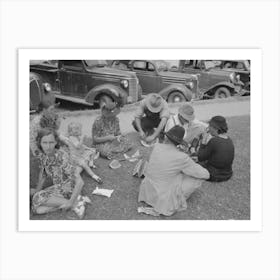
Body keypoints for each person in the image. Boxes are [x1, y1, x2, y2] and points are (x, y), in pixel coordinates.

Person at [138, 125, 210, 216]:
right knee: (195, 178)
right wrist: (190, 161)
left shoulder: (156, 146)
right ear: (178, 143)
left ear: (166, 137)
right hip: (162, 196)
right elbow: (205, 174)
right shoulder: (182, 157)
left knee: (174, 172)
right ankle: (173, 200)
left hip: (147, 189)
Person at [31, 128, 90, 218]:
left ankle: (74, 203)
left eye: (51, 142)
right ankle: (76, 203)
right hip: (59, 187)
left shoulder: (62, 157)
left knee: (37, 198)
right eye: (45, 143)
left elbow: (80, 182)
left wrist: (70, 202)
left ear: (55, 142)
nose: (48, 146)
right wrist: (37, 192)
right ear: (40, 143)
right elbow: (43, 175)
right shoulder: (44, 156)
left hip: (71, 189)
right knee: (37, 210)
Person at [197, 116, 235, 182]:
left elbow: (200, 157)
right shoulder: (229, 140)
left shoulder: (214, 141)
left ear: (216, 128)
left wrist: (203, 141)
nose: (208, 128)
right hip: (228, 174)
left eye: (210, 126)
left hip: (215, 175)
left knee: (193, 164)